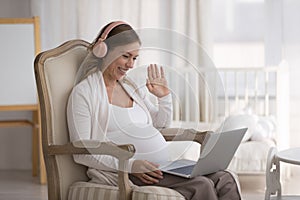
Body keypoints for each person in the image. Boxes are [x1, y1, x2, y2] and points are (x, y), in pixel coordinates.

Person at [67, 21, 241, 200]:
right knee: (202, 185)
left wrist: (163, 97)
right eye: (125, 56)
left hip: (164, 166)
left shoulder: (129, 87)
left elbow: (160, 124)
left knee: (224, 178)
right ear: (103, 51)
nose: (130, 65)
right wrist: (130, 165)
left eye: (134, 58)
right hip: (132, 173)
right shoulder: (84, 93)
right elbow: (82, 151)